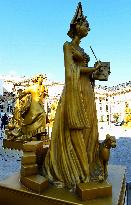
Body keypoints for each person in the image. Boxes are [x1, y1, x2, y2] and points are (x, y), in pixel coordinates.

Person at [44, 3, 102, 189]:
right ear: (77, 26)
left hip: (86, 89)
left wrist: (96, 73)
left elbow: (84, 71)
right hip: (75, 90)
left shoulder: (83, 51)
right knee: (76, 129)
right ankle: (78, 171)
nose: (89, 27)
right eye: (86, 24)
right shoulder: (67, 46)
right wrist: (91, 69)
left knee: (89, 128)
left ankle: (88, 165)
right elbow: (71, 70)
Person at [16, 74, 48, 140]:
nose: (42, 79)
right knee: (41, 115)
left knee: (43, 116)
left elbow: (43, 96)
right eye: (41, 77)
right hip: (34, 105)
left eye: (42, 78)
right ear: (37, 78)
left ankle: (39, 134)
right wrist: (19, 98)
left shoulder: (43, 87)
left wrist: (44, 94)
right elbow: (24, 93)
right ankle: (32, 133)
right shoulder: (32, 87)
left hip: (40, 105)